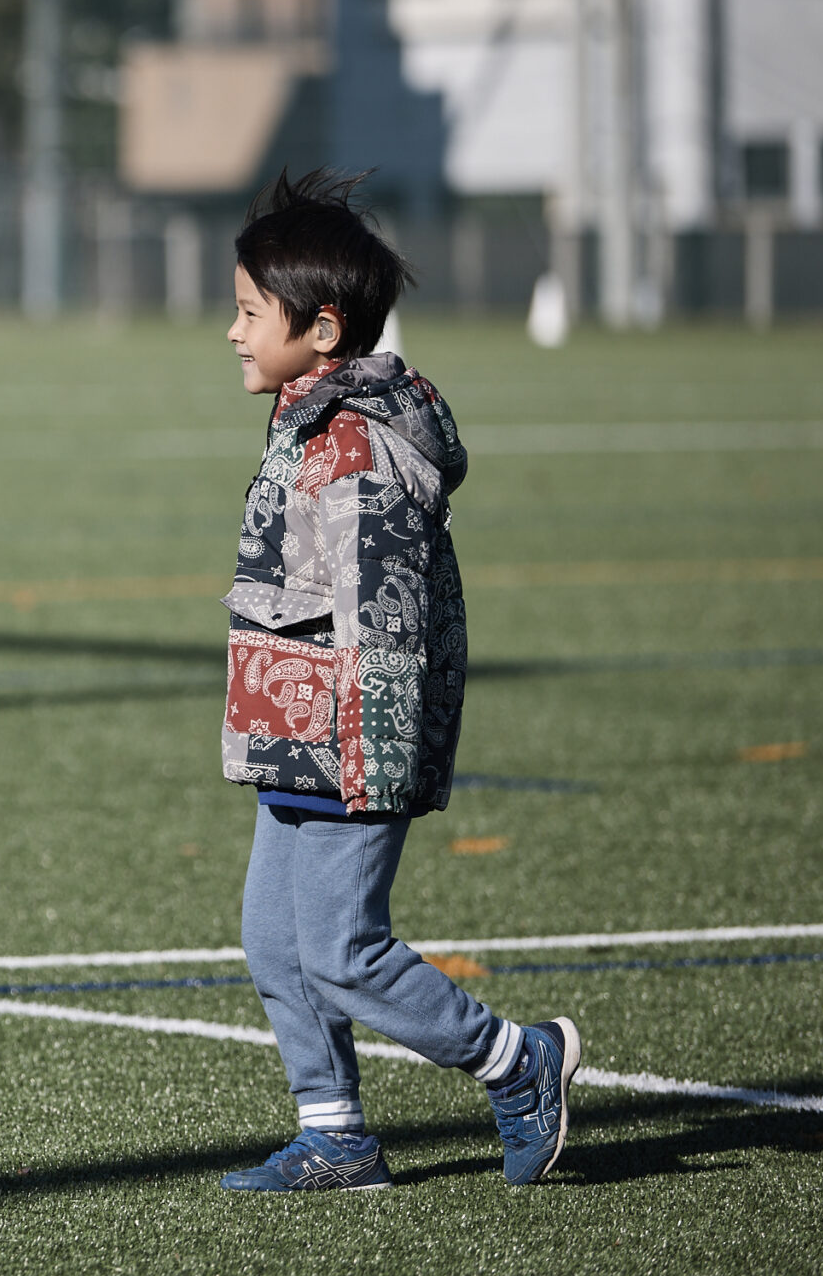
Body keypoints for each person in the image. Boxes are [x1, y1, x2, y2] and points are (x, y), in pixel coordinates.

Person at [214, 170, 575, 1192]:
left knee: (341, 949)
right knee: (275, 943)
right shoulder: (307, 416)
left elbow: (389, 624)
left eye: (248, 312)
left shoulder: (360, 448)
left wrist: (370, 754)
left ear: (321, 329)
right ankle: (335, 1134)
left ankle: (518, 1060)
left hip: (352, 740)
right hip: (301, 734)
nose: (232, 332)